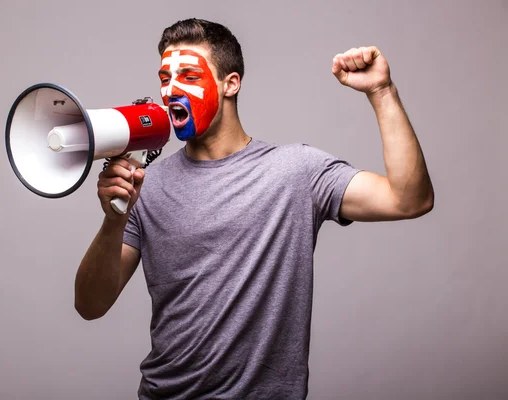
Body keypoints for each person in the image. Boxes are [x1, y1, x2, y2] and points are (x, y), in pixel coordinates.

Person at [74, 18, 434, 399]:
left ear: (231, 83)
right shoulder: (147, 186)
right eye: (164, 78)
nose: (170, 90)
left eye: (190, 76)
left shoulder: (296, 171)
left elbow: (409, 199)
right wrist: (114, 221)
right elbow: (89, 305)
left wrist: (382, 90)